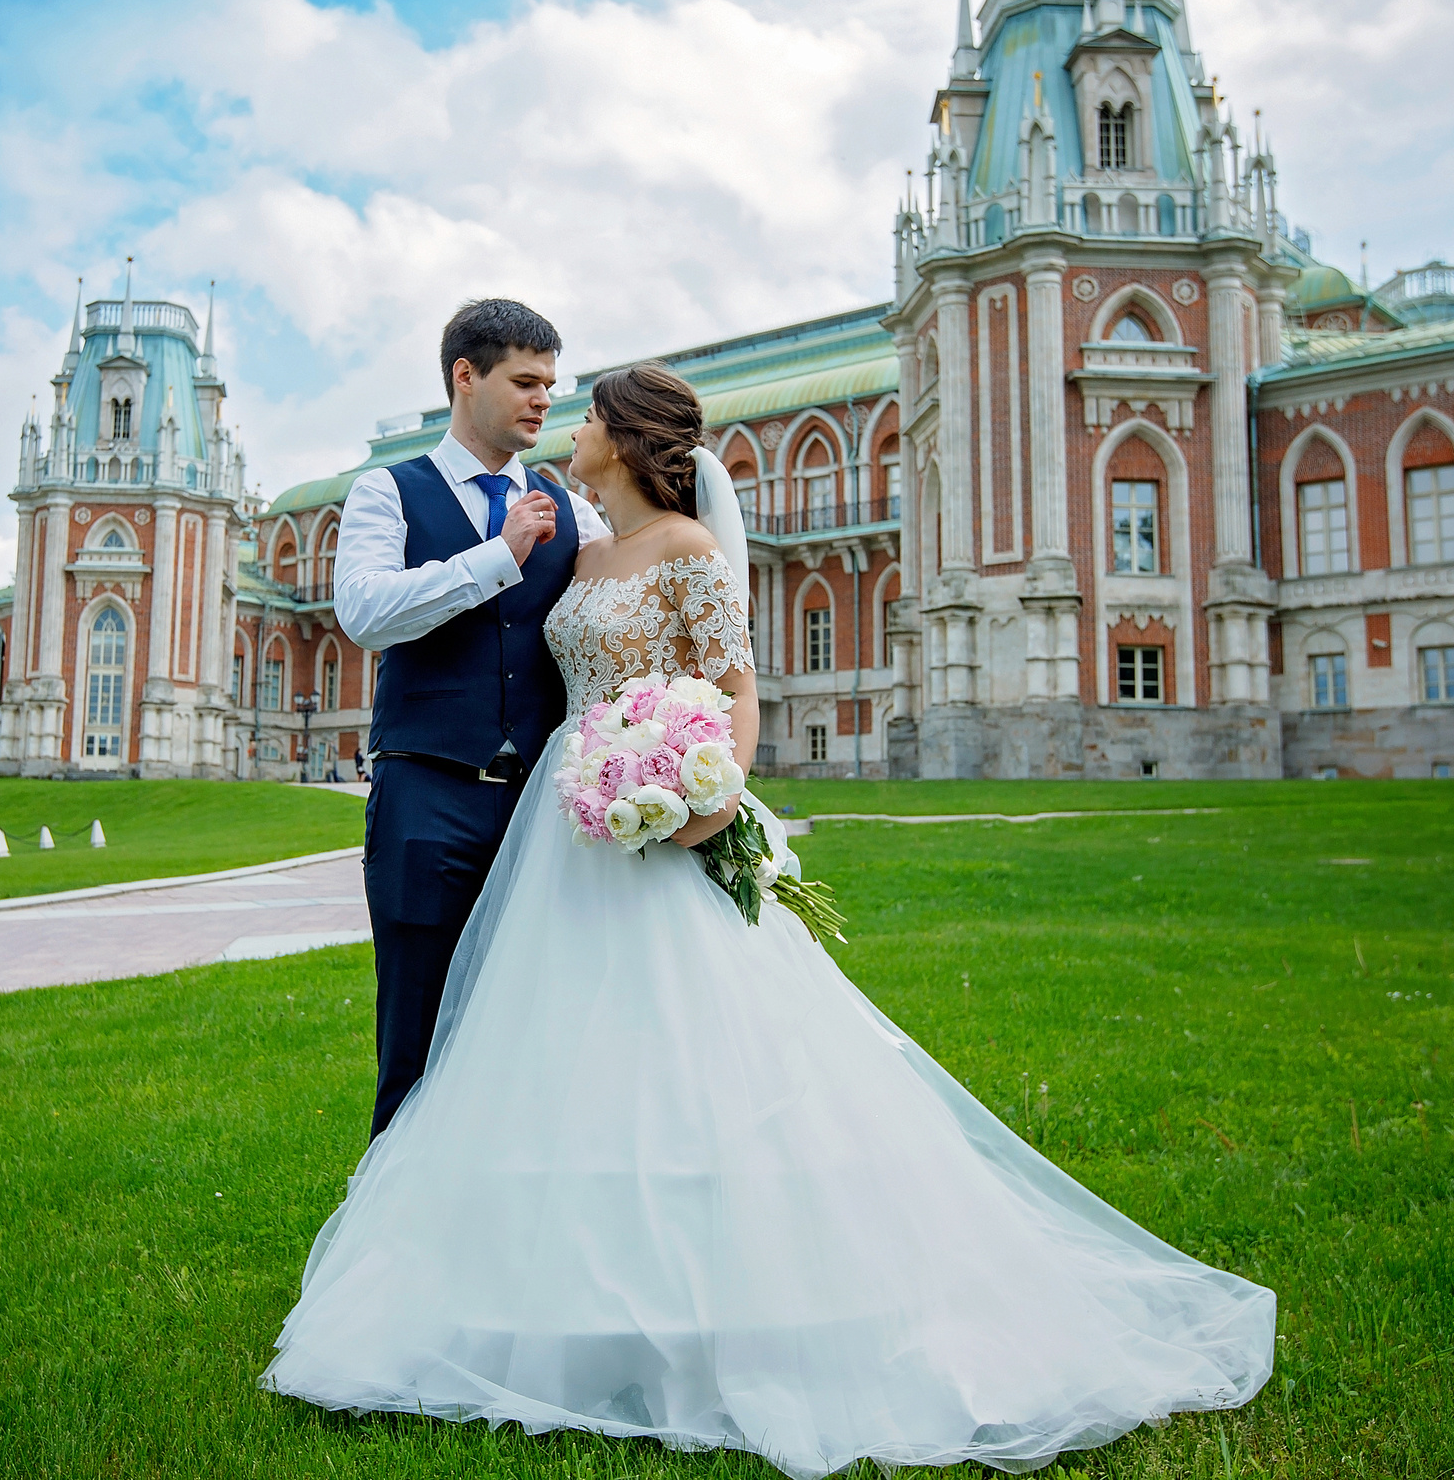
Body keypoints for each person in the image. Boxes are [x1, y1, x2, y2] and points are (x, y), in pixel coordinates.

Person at [266, 363, 1274, 1477]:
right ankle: (542, 1284)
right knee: (554, 1045)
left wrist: (707, 791)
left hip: (662, 813)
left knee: (690, 1045)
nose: (572, 423)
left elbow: (734, 685)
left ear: (633, 440)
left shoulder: (693, 552)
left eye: (588, 412)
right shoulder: (579, 548)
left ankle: (725, 1291)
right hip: (569, 817)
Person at [334, 297, 610, 1138]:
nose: (543, 402)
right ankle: (387, 1242)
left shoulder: (574, 508)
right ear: (465, 376)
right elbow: (365, 612)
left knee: (536, 1024)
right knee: (413, 1032)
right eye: (525, 382)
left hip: (541, 808)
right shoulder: (388, 489)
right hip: (427, 797)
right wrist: (498, 557)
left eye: (552, 386)